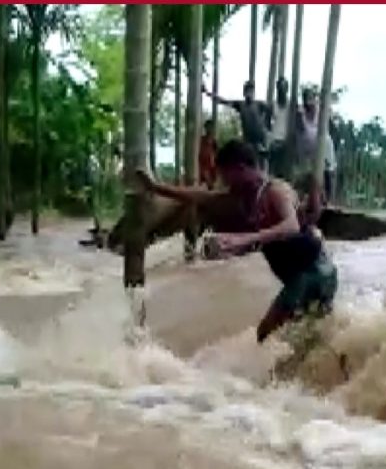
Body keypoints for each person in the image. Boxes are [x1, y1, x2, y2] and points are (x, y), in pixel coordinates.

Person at [136, 139, 338, 344]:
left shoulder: (276, 191)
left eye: (226, 176)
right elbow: (199, 197)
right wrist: (156, 188)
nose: (224, 182)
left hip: (315, 274)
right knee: (307, 339)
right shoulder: (241, 196)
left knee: (265, 333)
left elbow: (291, 225)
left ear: (241, 169)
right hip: (301, 277)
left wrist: (246, 239)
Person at [204, 81, 271, 171]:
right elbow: (224, 101)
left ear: (253, 93)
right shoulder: (241, 105)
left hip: (260, 139)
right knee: (250, 163)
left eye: (251, 92)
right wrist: (207, 93)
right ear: (244, 93)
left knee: (263, 160)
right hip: (248, 140)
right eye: (247, 92)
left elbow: (271, 110)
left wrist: (267, 126)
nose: (249, 94)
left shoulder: (259, 104)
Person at [295, 87, 337, 203]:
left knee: (329, 176)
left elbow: (331, 127)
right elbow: (301, 131)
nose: (310, 103)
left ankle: (329, 201)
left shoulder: (321, 112)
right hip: (309, 156)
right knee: (314, 183)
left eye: (312, 99)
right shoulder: (301, 114)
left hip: (326, 152)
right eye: (307, 100)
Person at [268, 78, 290, 176]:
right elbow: (267, 122)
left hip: (286, 142)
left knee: (283, 172)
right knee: (272, 171)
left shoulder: (291, 105)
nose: (282, 90)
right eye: (280, 88)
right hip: (274, 141)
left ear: (287, 90)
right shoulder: (273, 105)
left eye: (284, 88)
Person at [198, 119, 218, 189]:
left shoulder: (214, 140)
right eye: (207, 127)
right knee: (206, 181)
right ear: (205, 128)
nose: (209, 129)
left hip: (211, 165)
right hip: (204, 164)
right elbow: (200, 152)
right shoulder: (201, 139)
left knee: (211, 183)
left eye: (210, 127)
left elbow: (216, 152)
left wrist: (214, 161)